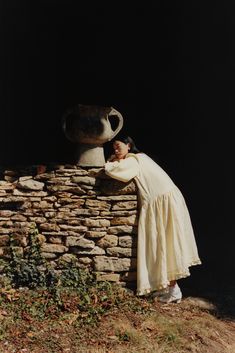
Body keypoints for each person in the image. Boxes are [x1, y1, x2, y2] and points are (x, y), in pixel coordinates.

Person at [104, 136, 201, 303]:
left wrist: (110, 161)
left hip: (162, 201)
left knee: (166, 244)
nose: (115, 150)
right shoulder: (141, 157)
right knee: (164, 244)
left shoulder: (133, 159)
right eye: (113, 147)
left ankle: (172, 290)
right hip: (165, 199)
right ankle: (169, 288)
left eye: (118, 146)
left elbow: (115, 171)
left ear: (128, 145)